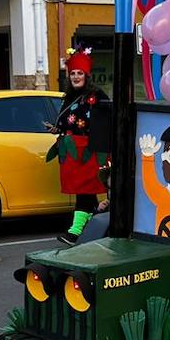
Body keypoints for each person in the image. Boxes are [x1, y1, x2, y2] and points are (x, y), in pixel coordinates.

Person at [51, 46, 109, 243]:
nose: (76, 77)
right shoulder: (68, 96)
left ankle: (75, 231)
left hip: (89, 151)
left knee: (85, 191)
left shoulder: (98, 96)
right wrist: (57, 129)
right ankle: (92, 227)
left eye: (79, 73)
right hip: (72, 152)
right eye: (73, 73)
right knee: (84, 192)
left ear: (87, 75)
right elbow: (66, 120)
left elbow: (106, 121)